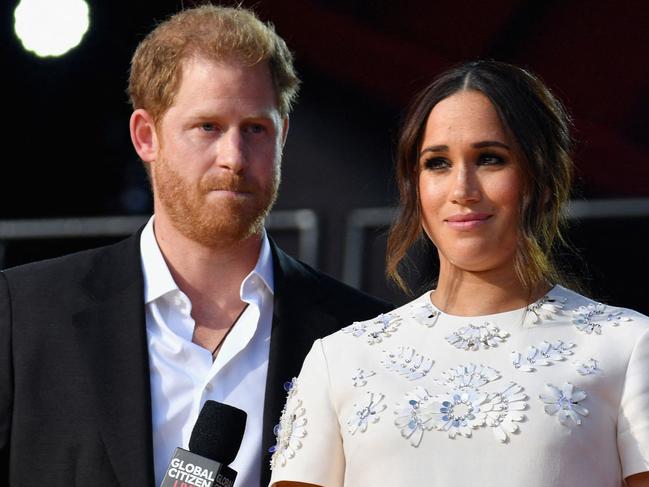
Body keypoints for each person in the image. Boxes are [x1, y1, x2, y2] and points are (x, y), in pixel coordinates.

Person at [0, 5, 391, 487]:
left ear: (282, 135)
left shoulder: (362, 335)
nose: (234, 157)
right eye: (208, 126)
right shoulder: (23, 313)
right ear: (147, 136)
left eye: (255, 129)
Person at [268, 60, 649, 487]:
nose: (462, 190)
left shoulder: (629, 346)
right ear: (414, 186)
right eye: (438, 163)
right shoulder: (339, 359)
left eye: (490, 159)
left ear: (541, 179)